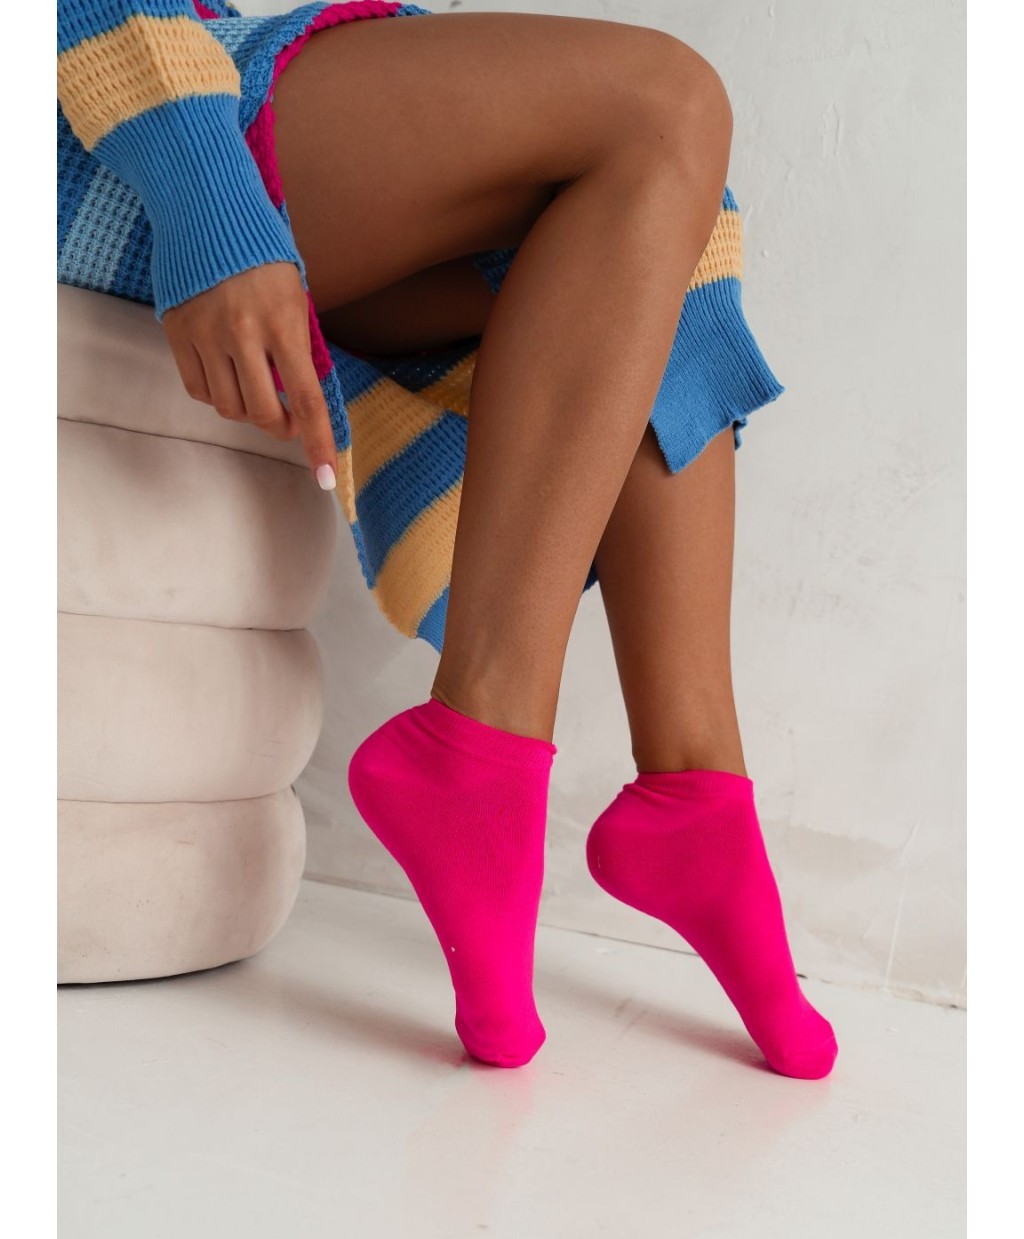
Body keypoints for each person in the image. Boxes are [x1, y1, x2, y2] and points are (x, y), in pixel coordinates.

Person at [57, 0, 838, 1079]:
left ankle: (695, 789)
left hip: (190, 45)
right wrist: (203, 189)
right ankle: (487, 750)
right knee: (663, 106)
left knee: (671, 210)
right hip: (80, 93)